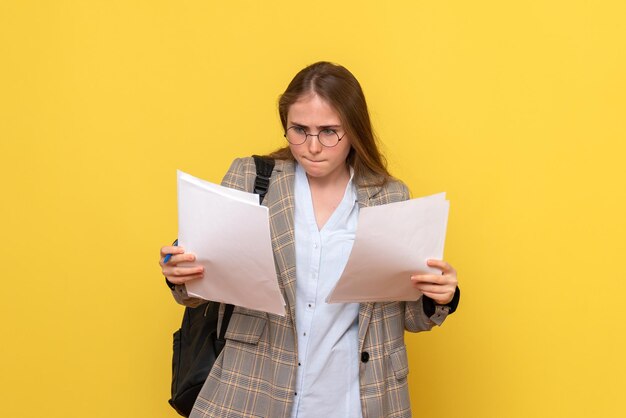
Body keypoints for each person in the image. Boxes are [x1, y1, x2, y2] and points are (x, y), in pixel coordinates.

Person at [159, 61, 460, 418]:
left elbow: (408, 314)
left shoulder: (390, 196)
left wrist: (440, 296)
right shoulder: (253, 177)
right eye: (299, 129)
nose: (313, 146)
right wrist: (179, 272)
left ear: (354, 130)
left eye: (329, 131)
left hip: (355, 398)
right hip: (254, 388)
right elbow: (204, 284)